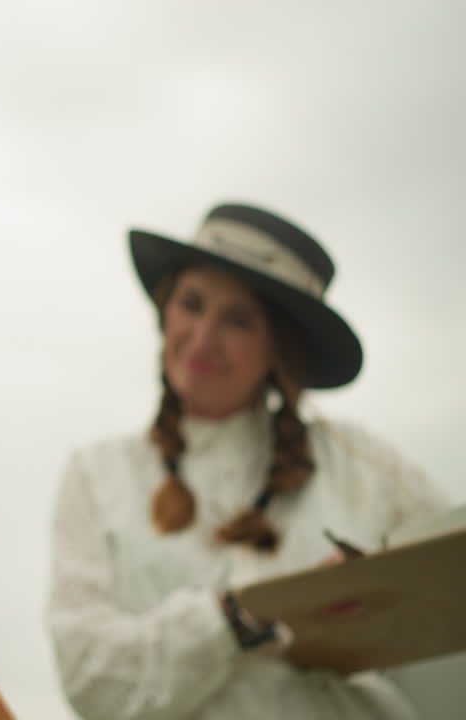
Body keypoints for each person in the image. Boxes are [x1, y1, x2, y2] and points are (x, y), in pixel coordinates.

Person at [46, 203, 448, 719]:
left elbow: (448, 575)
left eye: (237, 320)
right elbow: (88, 676)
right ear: (165, 311)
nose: (204, 337)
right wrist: (233, 619)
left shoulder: (361, 464)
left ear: (279, 350)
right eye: (192, 305)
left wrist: (373, 595)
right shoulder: (96, 475)